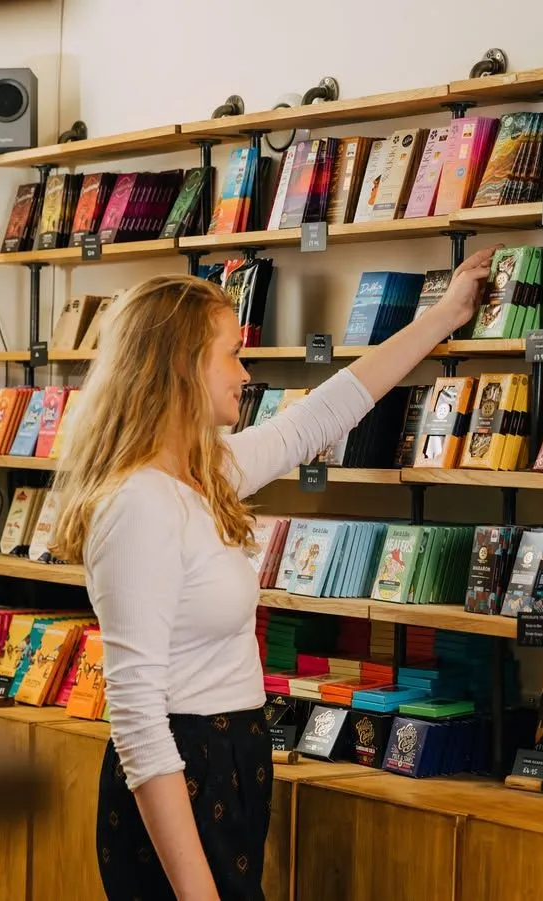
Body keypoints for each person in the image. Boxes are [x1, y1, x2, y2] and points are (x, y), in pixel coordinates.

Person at [50, 245, 497, 901]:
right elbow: (139, 722)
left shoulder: (208, 470)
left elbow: (326, 409)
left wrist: (446, 313)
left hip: (231, 759)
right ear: (180, 364)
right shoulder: (139, 504)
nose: (244, 369)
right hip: (182, 775)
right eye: (231, 351)